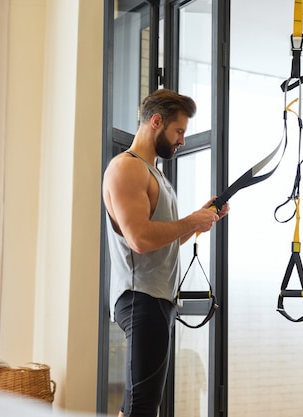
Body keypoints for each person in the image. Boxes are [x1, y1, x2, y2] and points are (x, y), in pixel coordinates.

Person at [102, 89, 228, 417]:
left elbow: (162, 244)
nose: (182, 141)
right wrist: (189, 221)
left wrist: (199, 220)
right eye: (179, 131)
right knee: (142, 409)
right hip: (141, 298)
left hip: (157, 300)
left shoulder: (156, 175)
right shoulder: (127, 168)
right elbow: (140, 239)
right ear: (156, 122)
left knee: (140, 407)